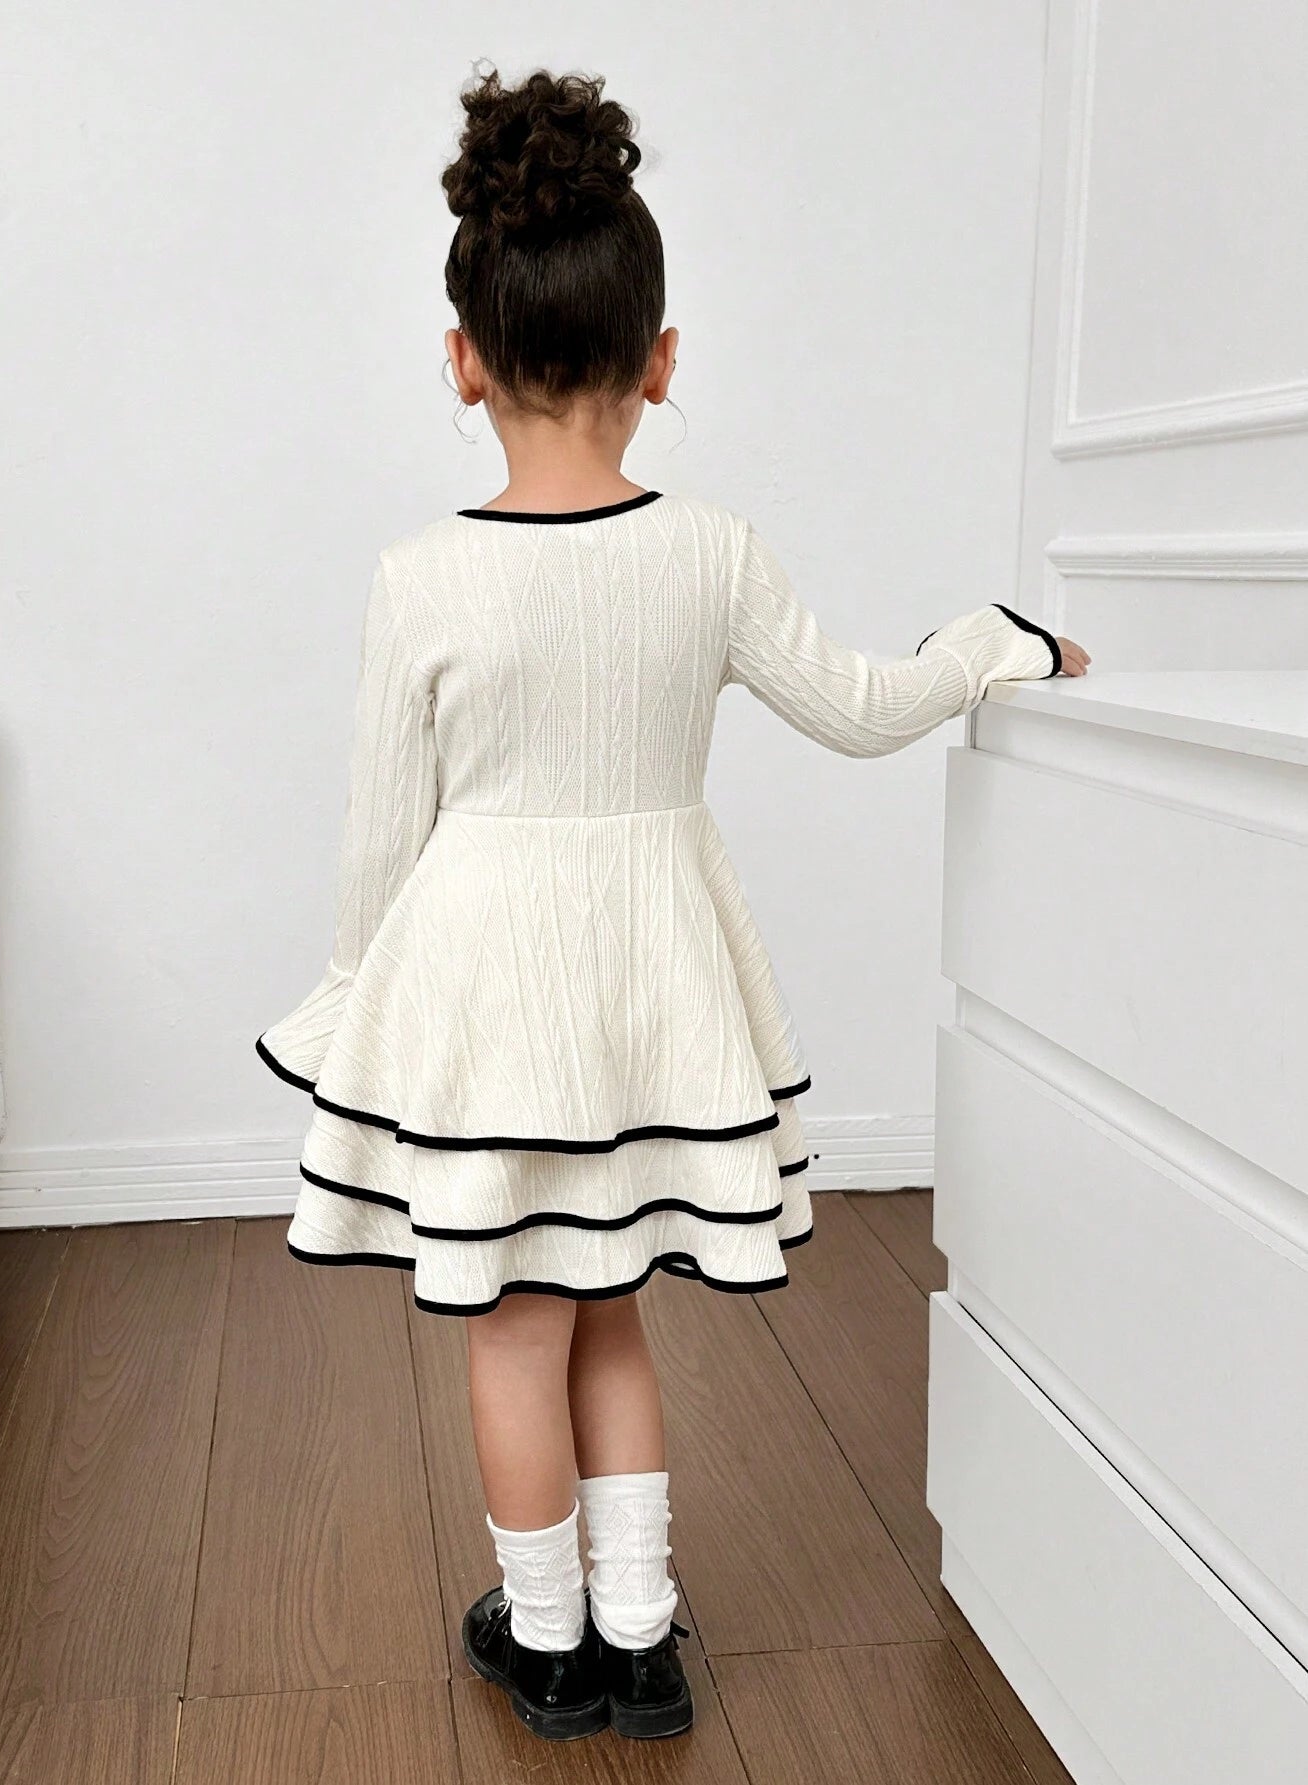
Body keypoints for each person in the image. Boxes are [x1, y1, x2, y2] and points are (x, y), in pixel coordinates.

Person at [254, 63, 1090, 1747]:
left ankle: (548, 1637)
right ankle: (642, 1637)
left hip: (494, 1005)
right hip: (654, 989)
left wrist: (353, 996)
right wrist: (990, 645)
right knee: (615, 1301)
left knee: (513, 1325)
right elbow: (861, 706)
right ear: (663, 360)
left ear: (462, 359)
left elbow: (377, 836)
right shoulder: (710, 551)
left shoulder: (421, 577)